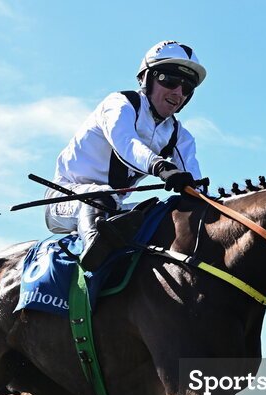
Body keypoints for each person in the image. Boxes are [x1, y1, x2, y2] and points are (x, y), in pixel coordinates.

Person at [44, 40, 206, 270]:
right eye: (169, 81)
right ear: (145, 80)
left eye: (187, 87)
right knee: (101, 196)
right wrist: (161, 167)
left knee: (162, 211)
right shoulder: (119, 103)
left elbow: (196, 185)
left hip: (114, 208)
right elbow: (126, 145)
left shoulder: (180, 135)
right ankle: (94, 255)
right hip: (65, 199)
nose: (178, 93)